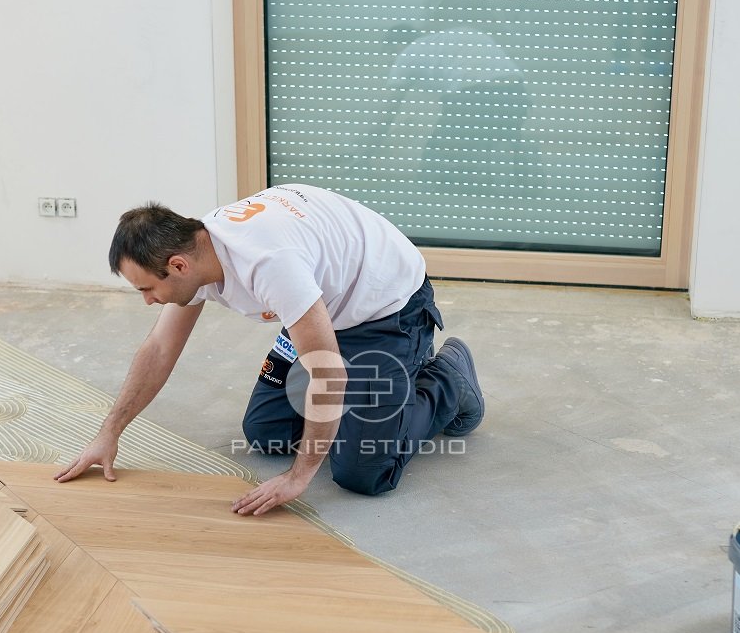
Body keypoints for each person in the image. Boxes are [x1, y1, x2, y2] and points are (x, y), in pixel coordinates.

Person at [54, 184, 483, 515]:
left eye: (147, 289)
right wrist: (109, 433)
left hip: (384, 310)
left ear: (178, 266)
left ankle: (449, 376)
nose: (149, 300)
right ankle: (367, 408)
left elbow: (328, 373)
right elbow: (159, 349)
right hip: (317, 307)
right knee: (266, 432)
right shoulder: (197, 250)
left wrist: (298, 477)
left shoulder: (268, 265)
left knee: (363, 471)